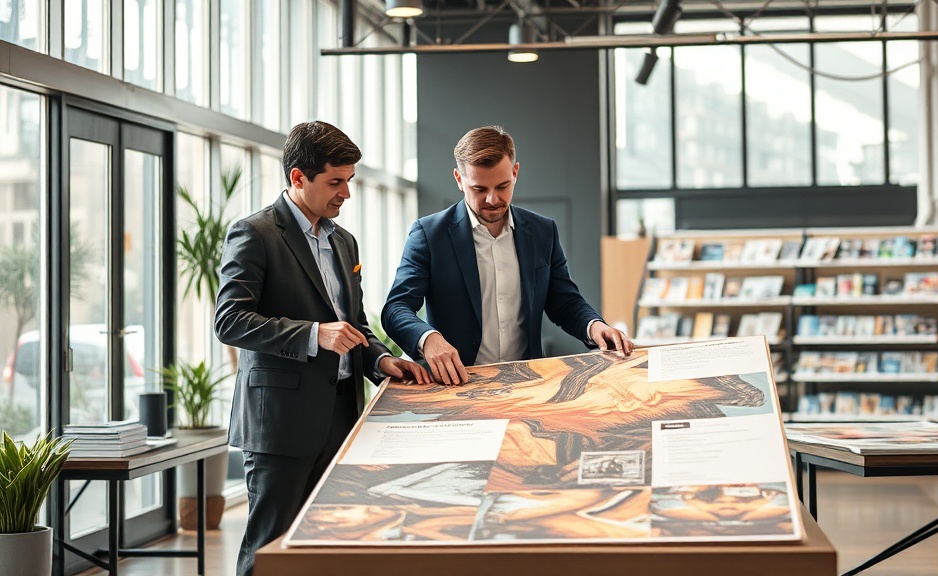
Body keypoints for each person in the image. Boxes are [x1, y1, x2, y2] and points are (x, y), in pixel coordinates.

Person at [214, 120, 429, 576]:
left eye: (349, 181)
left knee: (327, 548)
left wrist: (382, 360)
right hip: (281, 426)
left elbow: (355, 326)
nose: (345, 194)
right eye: (335, 182)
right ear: (298, 178)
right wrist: (314, 334)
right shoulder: (254, 234)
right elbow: (229, 321)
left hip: (343, 419)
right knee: (268, 550)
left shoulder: (342, 240)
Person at [382, 125, 633, 384]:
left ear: (515, 172)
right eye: (479, 189)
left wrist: (595, 327)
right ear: (459, 179)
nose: (492, 199)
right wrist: (428, 340)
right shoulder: (428, 234)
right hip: (455, 385)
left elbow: (564, 302)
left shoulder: (543, 231)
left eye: (502, 186)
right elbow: (395, 309)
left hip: (528, 383)